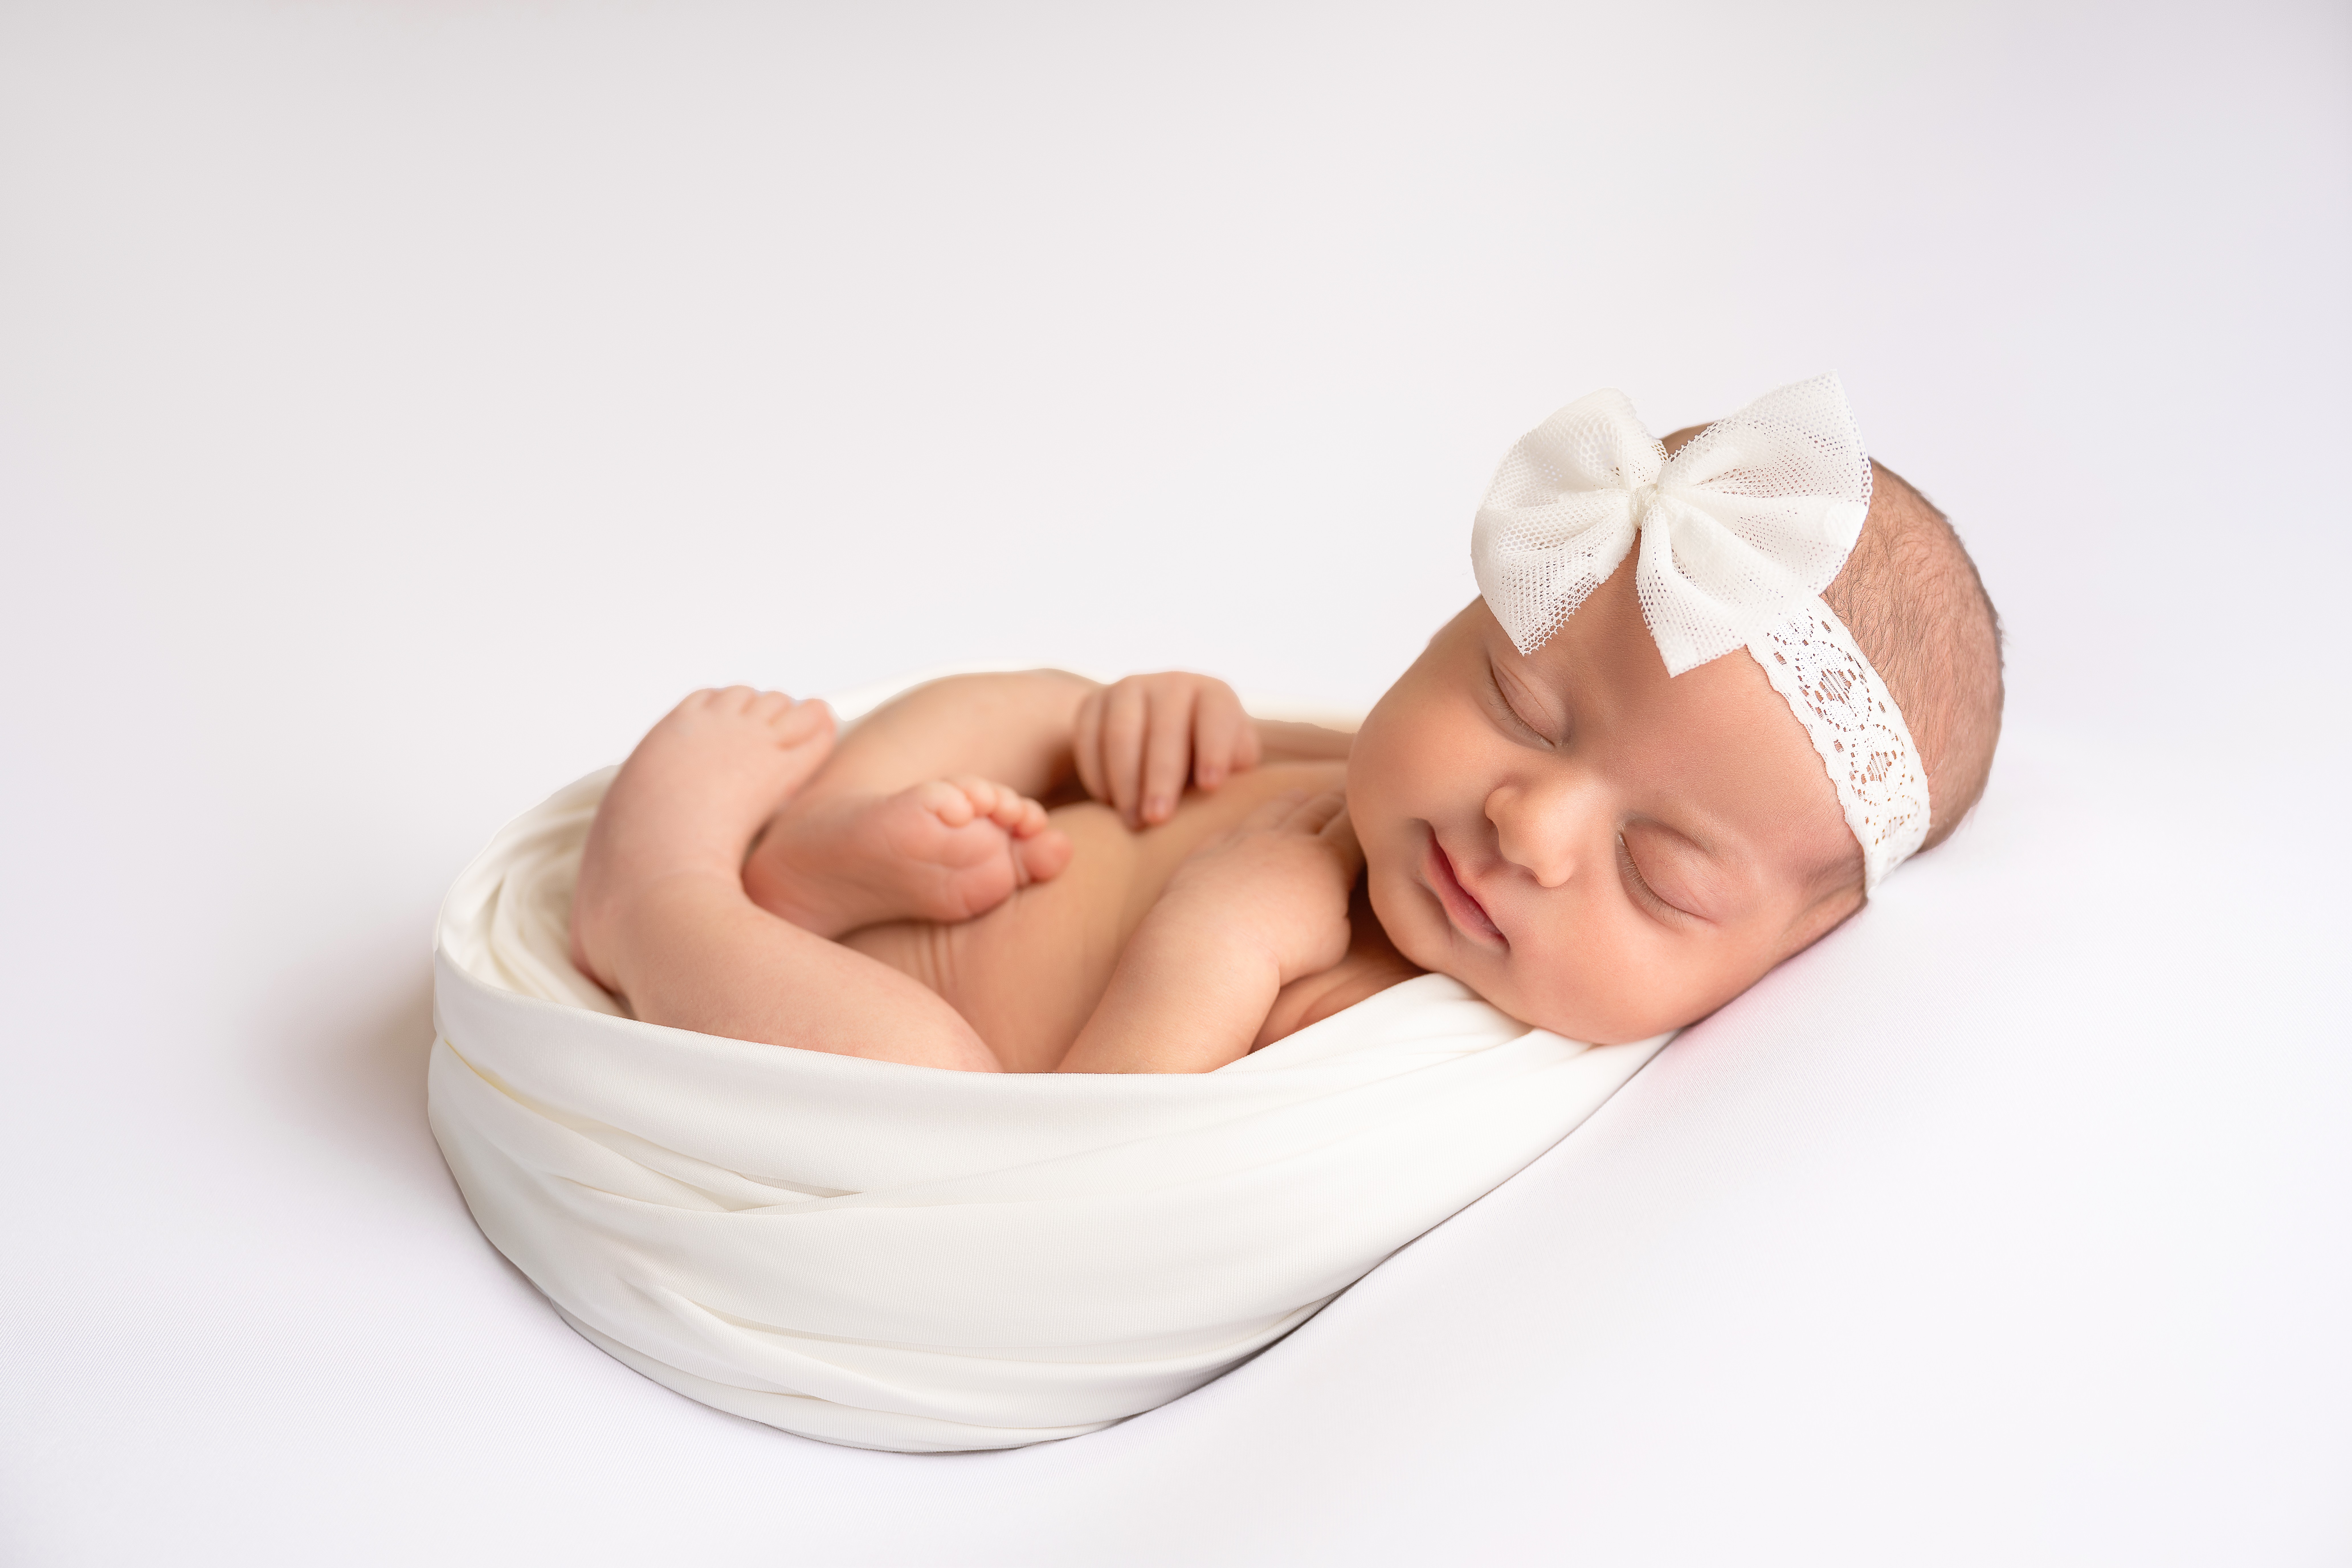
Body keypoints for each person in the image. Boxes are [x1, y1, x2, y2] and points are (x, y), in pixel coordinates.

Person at [565, 375, 2002, 1073]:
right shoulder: (1391, 805)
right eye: (1515, 699)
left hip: (946, 1039)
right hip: (979, 860)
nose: (1530, 818)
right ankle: (816, 851)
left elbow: (1096, 1163)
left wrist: (1225, 930)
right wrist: (1140, 731)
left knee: (924, 1083)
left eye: (1659, 871)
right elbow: (1253, 762)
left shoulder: (1408, 1026)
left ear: (1778, 961)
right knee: (1035, 699)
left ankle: (664, 899)